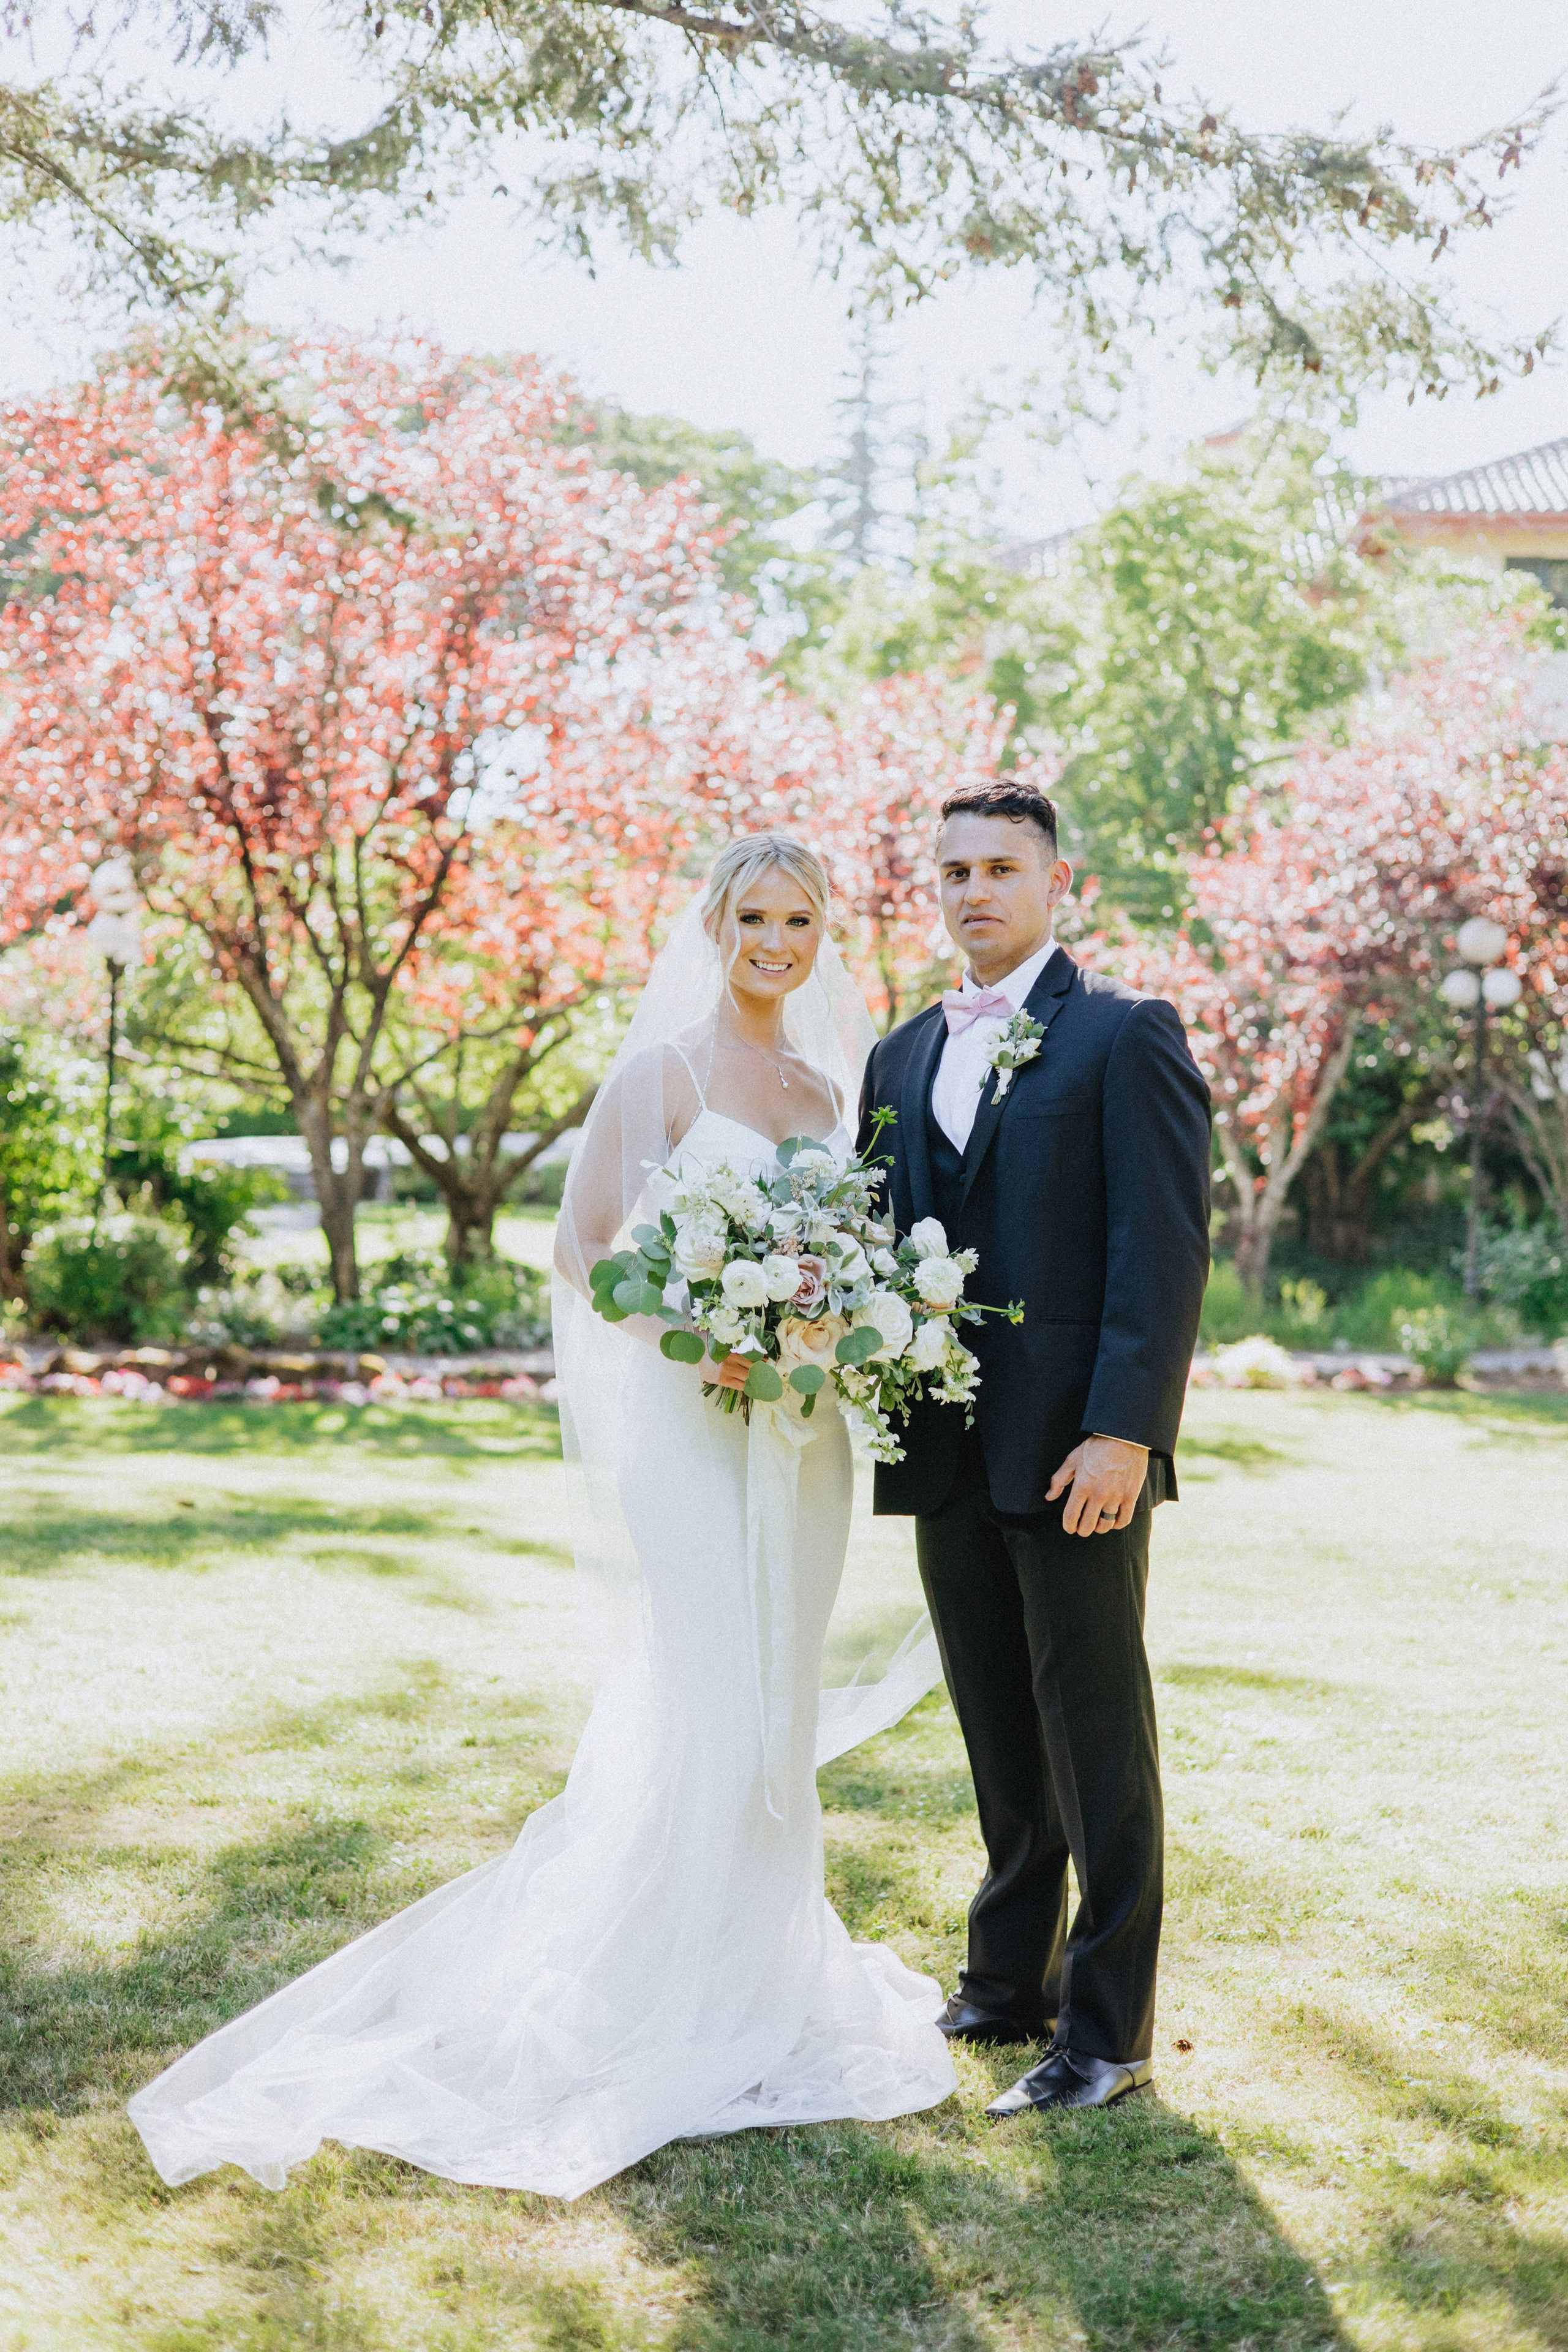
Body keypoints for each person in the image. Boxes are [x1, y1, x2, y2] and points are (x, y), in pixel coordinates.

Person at [129, 834, 954, 2202]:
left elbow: (855, 1255)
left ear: (825, 935)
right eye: (752, 916)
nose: (774, 942)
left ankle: (768, 1966)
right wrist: (711, 1337)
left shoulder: (830, 1089)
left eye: (798, 920)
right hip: (690, 1434)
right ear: (713, 926)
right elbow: (582, 1252)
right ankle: (670, 1983)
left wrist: (825, 1331)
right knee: (712, 1695)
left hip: (800, 1443)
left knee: (779, 1700)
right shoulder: (663, 1075)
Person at [857, 783, 1211, 2117]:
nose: (974, 891)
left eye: (1001, 868)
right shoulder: (898, 1057)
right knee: (998, 1732)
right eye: (954, 870)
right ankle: (1008, 1986)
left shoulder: (1124, 1031)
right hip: (944, 1446)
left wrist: (1125, 1430)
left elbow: (1160, 1248)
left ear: (1056, 882)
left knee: (1095, 1739)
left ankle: (1106, 2033)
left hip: (1078, 1453)